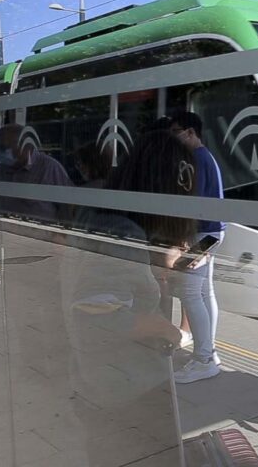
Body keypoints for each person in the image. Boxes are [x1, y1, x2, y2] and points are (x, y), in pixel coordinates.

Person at [63, 129, 196, 465]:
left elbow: (115, 288)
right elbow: (97, 316)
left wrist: (158, 266)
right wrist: (168, 331)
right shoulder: (122, 230)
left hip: (100, 385)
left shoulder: (106, 211)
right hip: (126, 391)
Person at [168, 111, 226, 384]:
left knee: (190, 293)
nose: (174, 137)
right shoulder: (207, 158)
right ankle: (208, 353)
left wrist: (182, 237)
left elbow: (193, 203)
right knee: (204, 292)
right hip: (213, 231)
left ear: (191, 132)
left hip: (200, 234)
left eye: (177, 131)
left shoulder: (197, 161)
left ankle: (204, 358)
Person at [0, 123, 73, 222]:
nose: (0, 152)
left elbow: (67, 206)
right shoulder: (0, 170)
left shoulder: (49, 167)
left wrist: (63, 233)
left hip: (41, 234)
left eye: (3, 147)